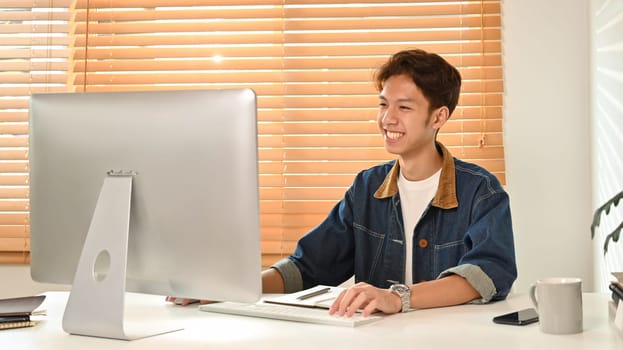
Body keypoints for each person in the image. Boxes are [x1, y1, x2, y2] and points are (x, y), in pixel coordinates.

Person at [169, 49, 517, 317]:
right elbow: (308, 266)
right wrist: (234, 288)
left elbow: (487, 274)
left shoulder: (481, 191)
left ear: (439, 116)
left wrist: (398, 298)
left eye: (404, 107)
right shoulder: (367, 187)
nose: (387, 119)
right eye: (383, 104)